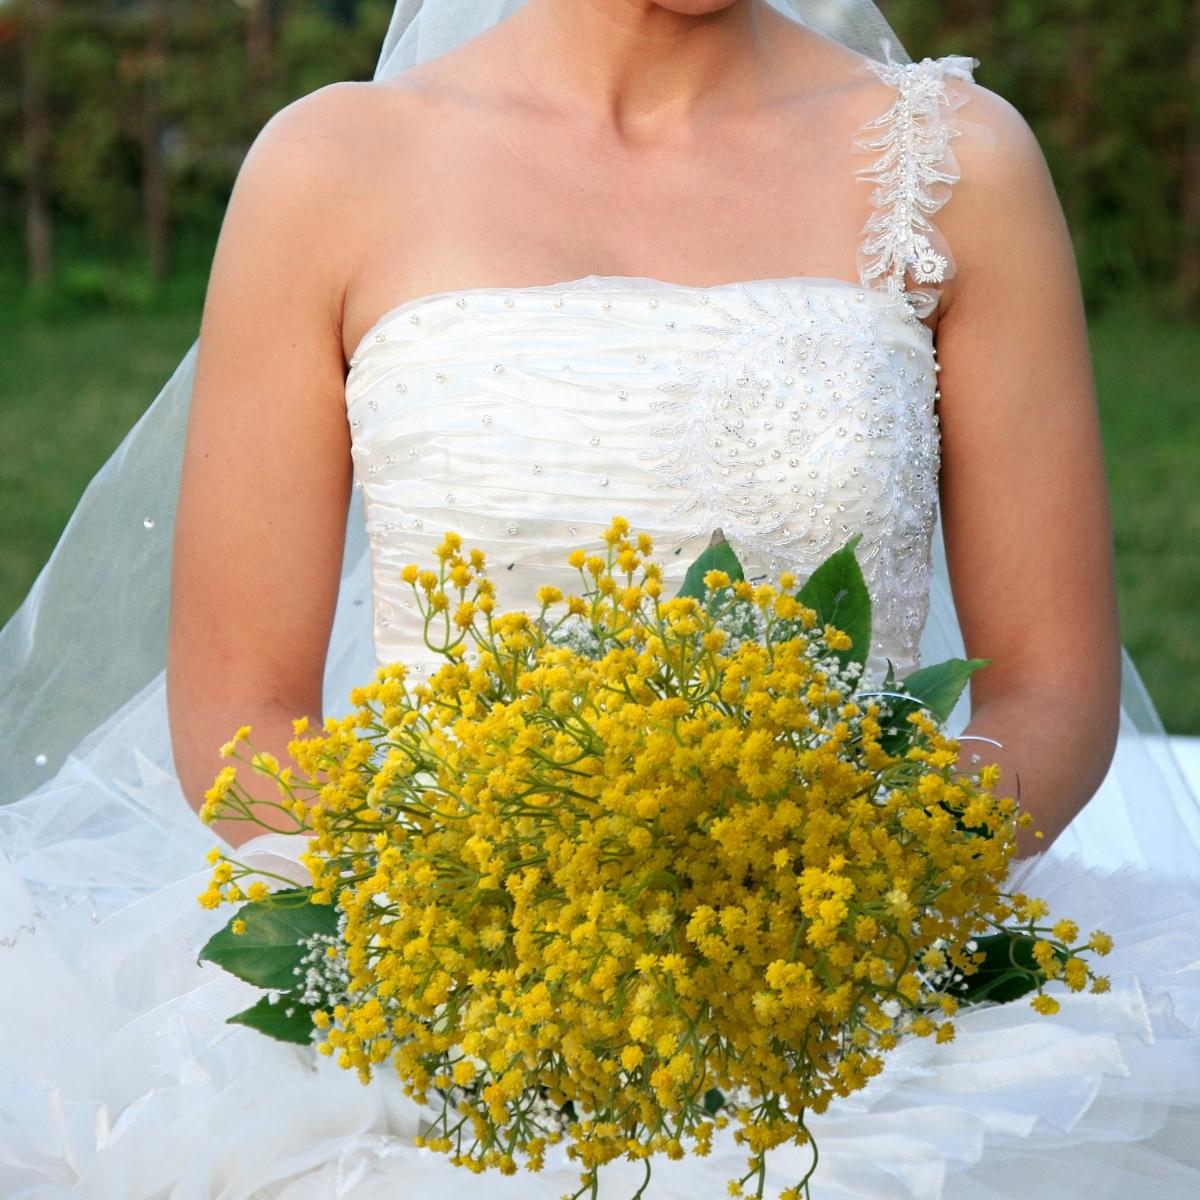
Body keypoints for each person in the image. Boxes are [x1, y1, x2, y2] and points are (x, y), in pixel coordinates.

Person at [1, 2, 1198, 1197]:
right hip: (447, 1007)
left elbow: (1051, 685)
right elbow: (241, 710)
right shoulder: (330, 168)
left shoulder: (958, 166)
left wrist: (850, 901)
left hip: (852, 1018)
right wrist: (494, 938)